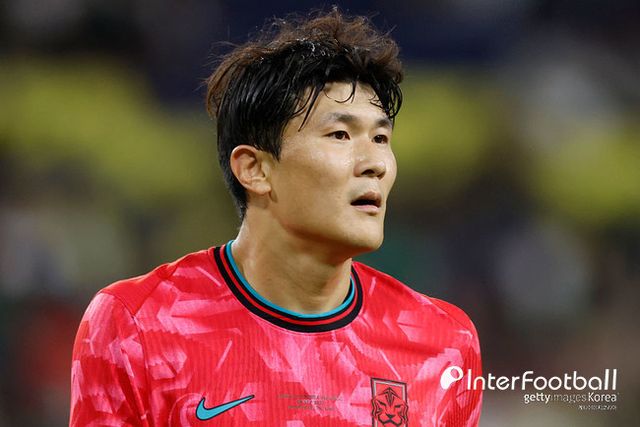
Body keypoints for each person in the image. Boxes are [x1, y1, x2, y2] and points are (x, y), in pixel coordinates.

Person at [70, 9, 482, 426]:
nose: (374, 163)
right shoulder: (136, 324)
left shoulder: (443, 342)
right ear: (255, 169)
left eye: (380, 138)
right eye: (340, 135)